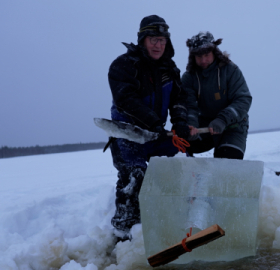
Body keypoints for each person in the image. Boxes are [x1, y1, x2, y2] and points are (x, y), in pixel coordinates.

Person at [107, 15, 190, 241]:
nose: (158, 45)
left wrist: (180, 121)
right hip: (128, 134)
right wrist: (154, 122)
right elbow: (126, 99)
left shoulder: (169, 68)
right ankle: (124, 235)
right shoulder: (123, 65)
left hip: (156, 134)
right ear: (143, 39)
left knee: (181, 166)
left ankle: (175, 224)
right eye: (153, 39)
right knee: (135, 177)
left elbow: (179, 97)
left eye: (162, 40)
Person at [182, 31, 252, 159]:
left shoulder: (231, 70)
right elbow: (189, 106)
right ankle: (189, 176)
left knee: (226, 162)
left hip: (233, 126)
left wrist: (223, 119)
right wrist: (191, 125)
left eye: (206, 55)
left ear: (214, 52)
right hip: (205, 127)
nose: (203, 60)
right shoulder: (188, 78)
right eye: (198, 57)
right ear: (192, 57)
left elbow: (243, 100)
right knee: (180, 146)